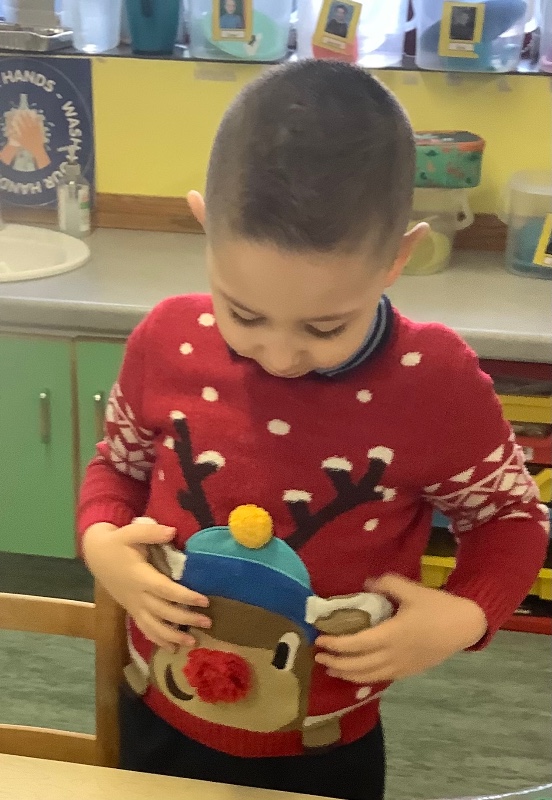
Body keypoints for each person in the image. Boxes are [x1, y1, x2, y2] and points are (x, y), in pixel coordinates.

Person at [78, 62, 549, 800]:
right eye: (244, 314)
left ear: (399, 257)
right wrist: (102, 541)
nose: (279, 355)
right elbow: (118, 463)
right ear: (205, 226)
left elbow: (511, 517)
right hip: (158, 709)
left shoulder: (435, 381)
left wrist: (464, 615)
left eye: (326, 327)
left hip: (325, 745)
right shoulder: (165, 339)